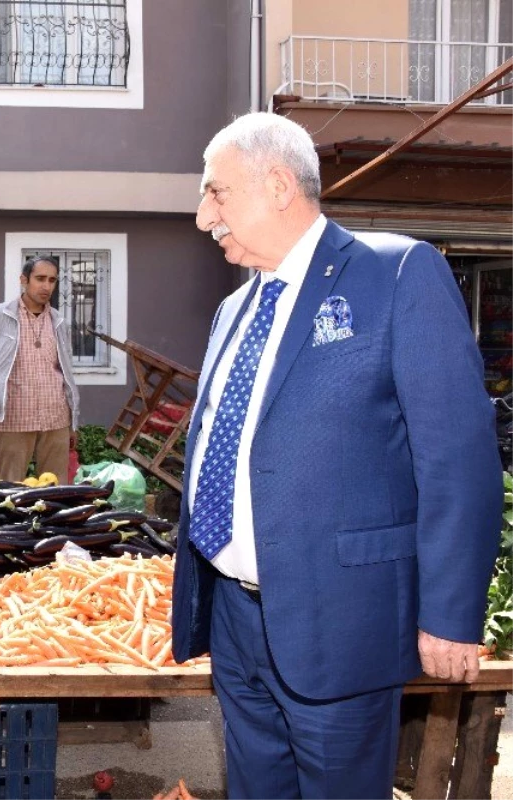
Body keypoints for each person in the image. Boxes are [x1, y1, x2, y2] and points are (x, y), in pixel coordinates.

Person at [171, 112, 502, 799]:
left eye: (216, 193)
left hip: (342, 622)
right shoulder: (232, 312)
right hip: (238, 624)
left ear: (278, 184)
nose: (204, 216)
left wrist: (450, 614)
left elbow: (458, 459)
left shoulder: (398, 274)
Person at [0, 256, 79, 482]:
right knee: (9, 490)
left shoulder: (59, 321)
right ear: (24, 280)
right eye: (40, 279)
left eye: (52, 280)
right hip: (13, 418)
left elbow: (66, 372)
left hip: (56, 418)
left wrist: (73, 421)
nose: (46, 286)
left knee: (56, 490)